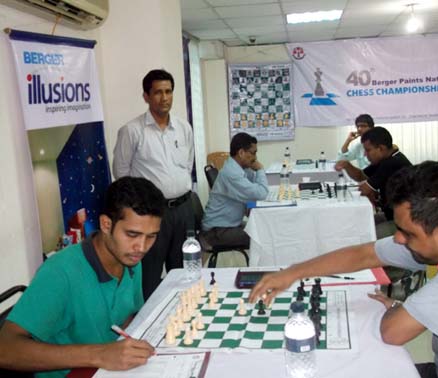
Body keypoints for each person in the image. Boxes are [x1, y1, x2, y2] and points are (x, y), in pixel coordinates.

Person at [250, 161, 438, 378]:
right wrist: (292, 272)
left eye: (407, 233)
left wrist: (402, 309)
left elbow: (392, 331)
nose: (399, 239)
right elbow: (365, 254)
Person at [0, 177, 165, 378]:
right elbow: (5, 350)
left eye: (151, 236)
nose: (142, 247)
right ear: (106, 224)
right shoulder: (60, 273)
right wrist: (100, 354)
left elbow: (128, 318)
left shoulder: (131, 258)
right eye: (132, 234)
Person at [113, 69, 195, 300]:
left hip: (183, 209)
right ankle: (148, 324)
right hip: (150, 215)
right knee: (148, 273)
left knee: (186, 270)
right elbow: (121, 174)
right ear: (146, 96)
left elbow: (187, 165)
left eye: (168, 91)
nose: (164, 97)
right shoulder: (132, 131)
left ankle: (187, 314)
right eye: (158, 92)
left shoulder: (183, 127)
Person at [201, 132, 268, 247]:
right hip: (217, 231)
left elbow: (254, 188)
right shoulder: (232, 173)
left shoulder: (238, 168)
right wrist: (260, 169)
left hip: (227, 225)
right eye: (253, 153)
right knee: (263, 236)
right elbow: (261, 193)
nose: (255, 158)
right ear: (241, 153)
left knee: (264, 229)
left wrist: (255, 172)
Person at [336, 126, 411, 222]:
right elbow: (361, 175)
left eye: (368, 150)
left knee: (358, 225)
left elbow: (363, 190)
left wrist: (341, 191)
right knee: (359, 222)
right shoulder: (386, 157)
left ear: (381, 148)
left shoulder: (392, 162)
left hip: (401, 222)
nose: (365, 155)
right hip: (392, 215)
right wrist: (346, 164)